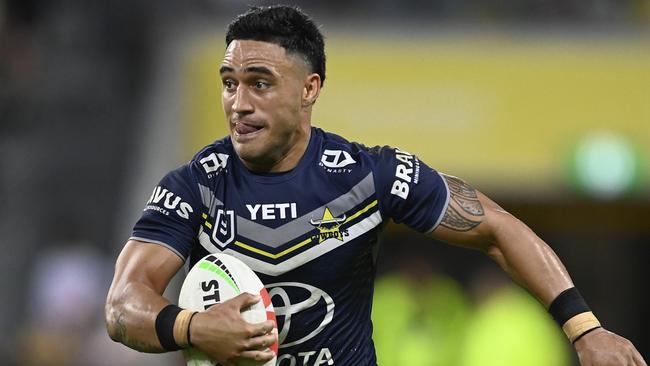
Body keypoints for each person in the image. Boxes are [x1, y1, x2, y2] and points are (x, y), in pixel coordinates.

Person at [105, 5, 646, 366]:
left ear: (309, 88)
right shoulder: (197, 185)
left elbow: (498, 230)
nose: (239, 104)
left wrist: (585, 329)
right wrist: (192, 328)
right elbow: (122, 305)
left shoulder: (367, 175)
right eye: (229, 84)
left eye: (260, 83)